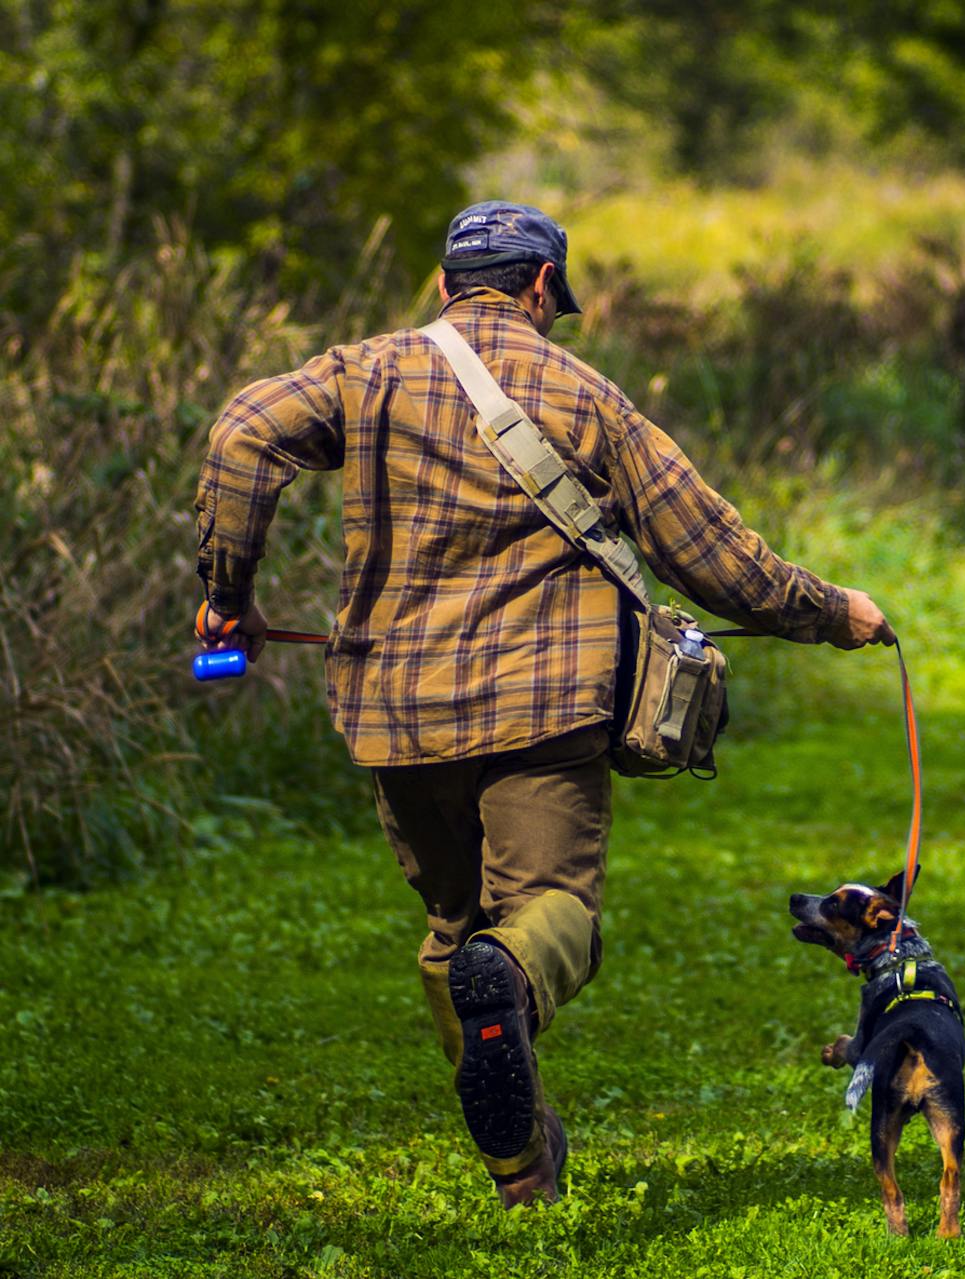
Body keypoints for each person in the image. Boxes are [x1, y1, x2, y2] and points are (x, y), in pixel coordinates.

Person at [191, 200, 894, 1207]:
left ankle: (522, 1165)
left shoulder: (366, 371)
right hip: (541, 712)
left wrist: (229, 591)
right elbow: (715, 557)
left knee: (451, 927)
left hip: (397, 711)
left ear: (444, 286)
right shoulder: (587, 397)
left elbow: (244, 433)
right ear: (540, 289)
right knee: (545, 918)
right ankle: (511, 991)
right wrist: (835, 612)